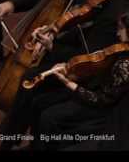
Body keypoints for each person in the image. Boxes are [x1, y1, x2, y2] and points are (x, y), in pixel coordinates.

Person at [0, 0, 129, 150]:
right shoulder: (97, 4)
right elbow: (77, 32)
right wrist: (52, 34)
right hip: (79, 70)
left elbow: (88, 55)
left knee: (35, 89)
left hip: (92, 80)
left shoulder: (118, 12)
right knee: (32, 82)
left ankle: (12, 141)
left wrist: (53, 47)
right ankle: (22, 141)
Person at [32, 11, 129, 150]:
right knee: (42, 105)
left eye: (121, 28)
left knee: (50, 116)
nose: (117, 33)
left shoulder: (125, 64)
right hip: (98, 95)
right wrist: (72, 69)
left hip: (109, 113)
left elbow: (101, 100)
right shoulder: (121, 52)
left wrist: (68, 82)